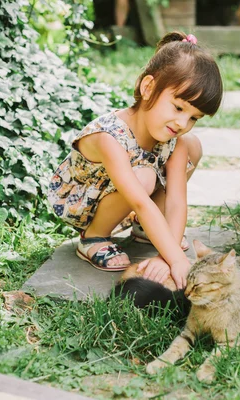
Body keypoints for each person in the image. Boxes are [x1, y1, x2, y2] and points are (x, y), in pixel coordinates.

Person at [48, 32, 223, 289]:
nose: (183, 123)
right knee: (144, 177)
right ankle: (93, 238)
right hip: (84, 203)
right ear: (148, 87)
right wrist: (177, 260)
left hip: (134, 197)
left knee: (191, 146)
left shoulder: (175, 138)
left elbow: (176, 201)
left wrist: (167, 255)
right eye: (178, 108)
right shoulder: (109, 136)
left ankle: (146, 229)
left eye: (194, 117)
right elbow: (140, 202)